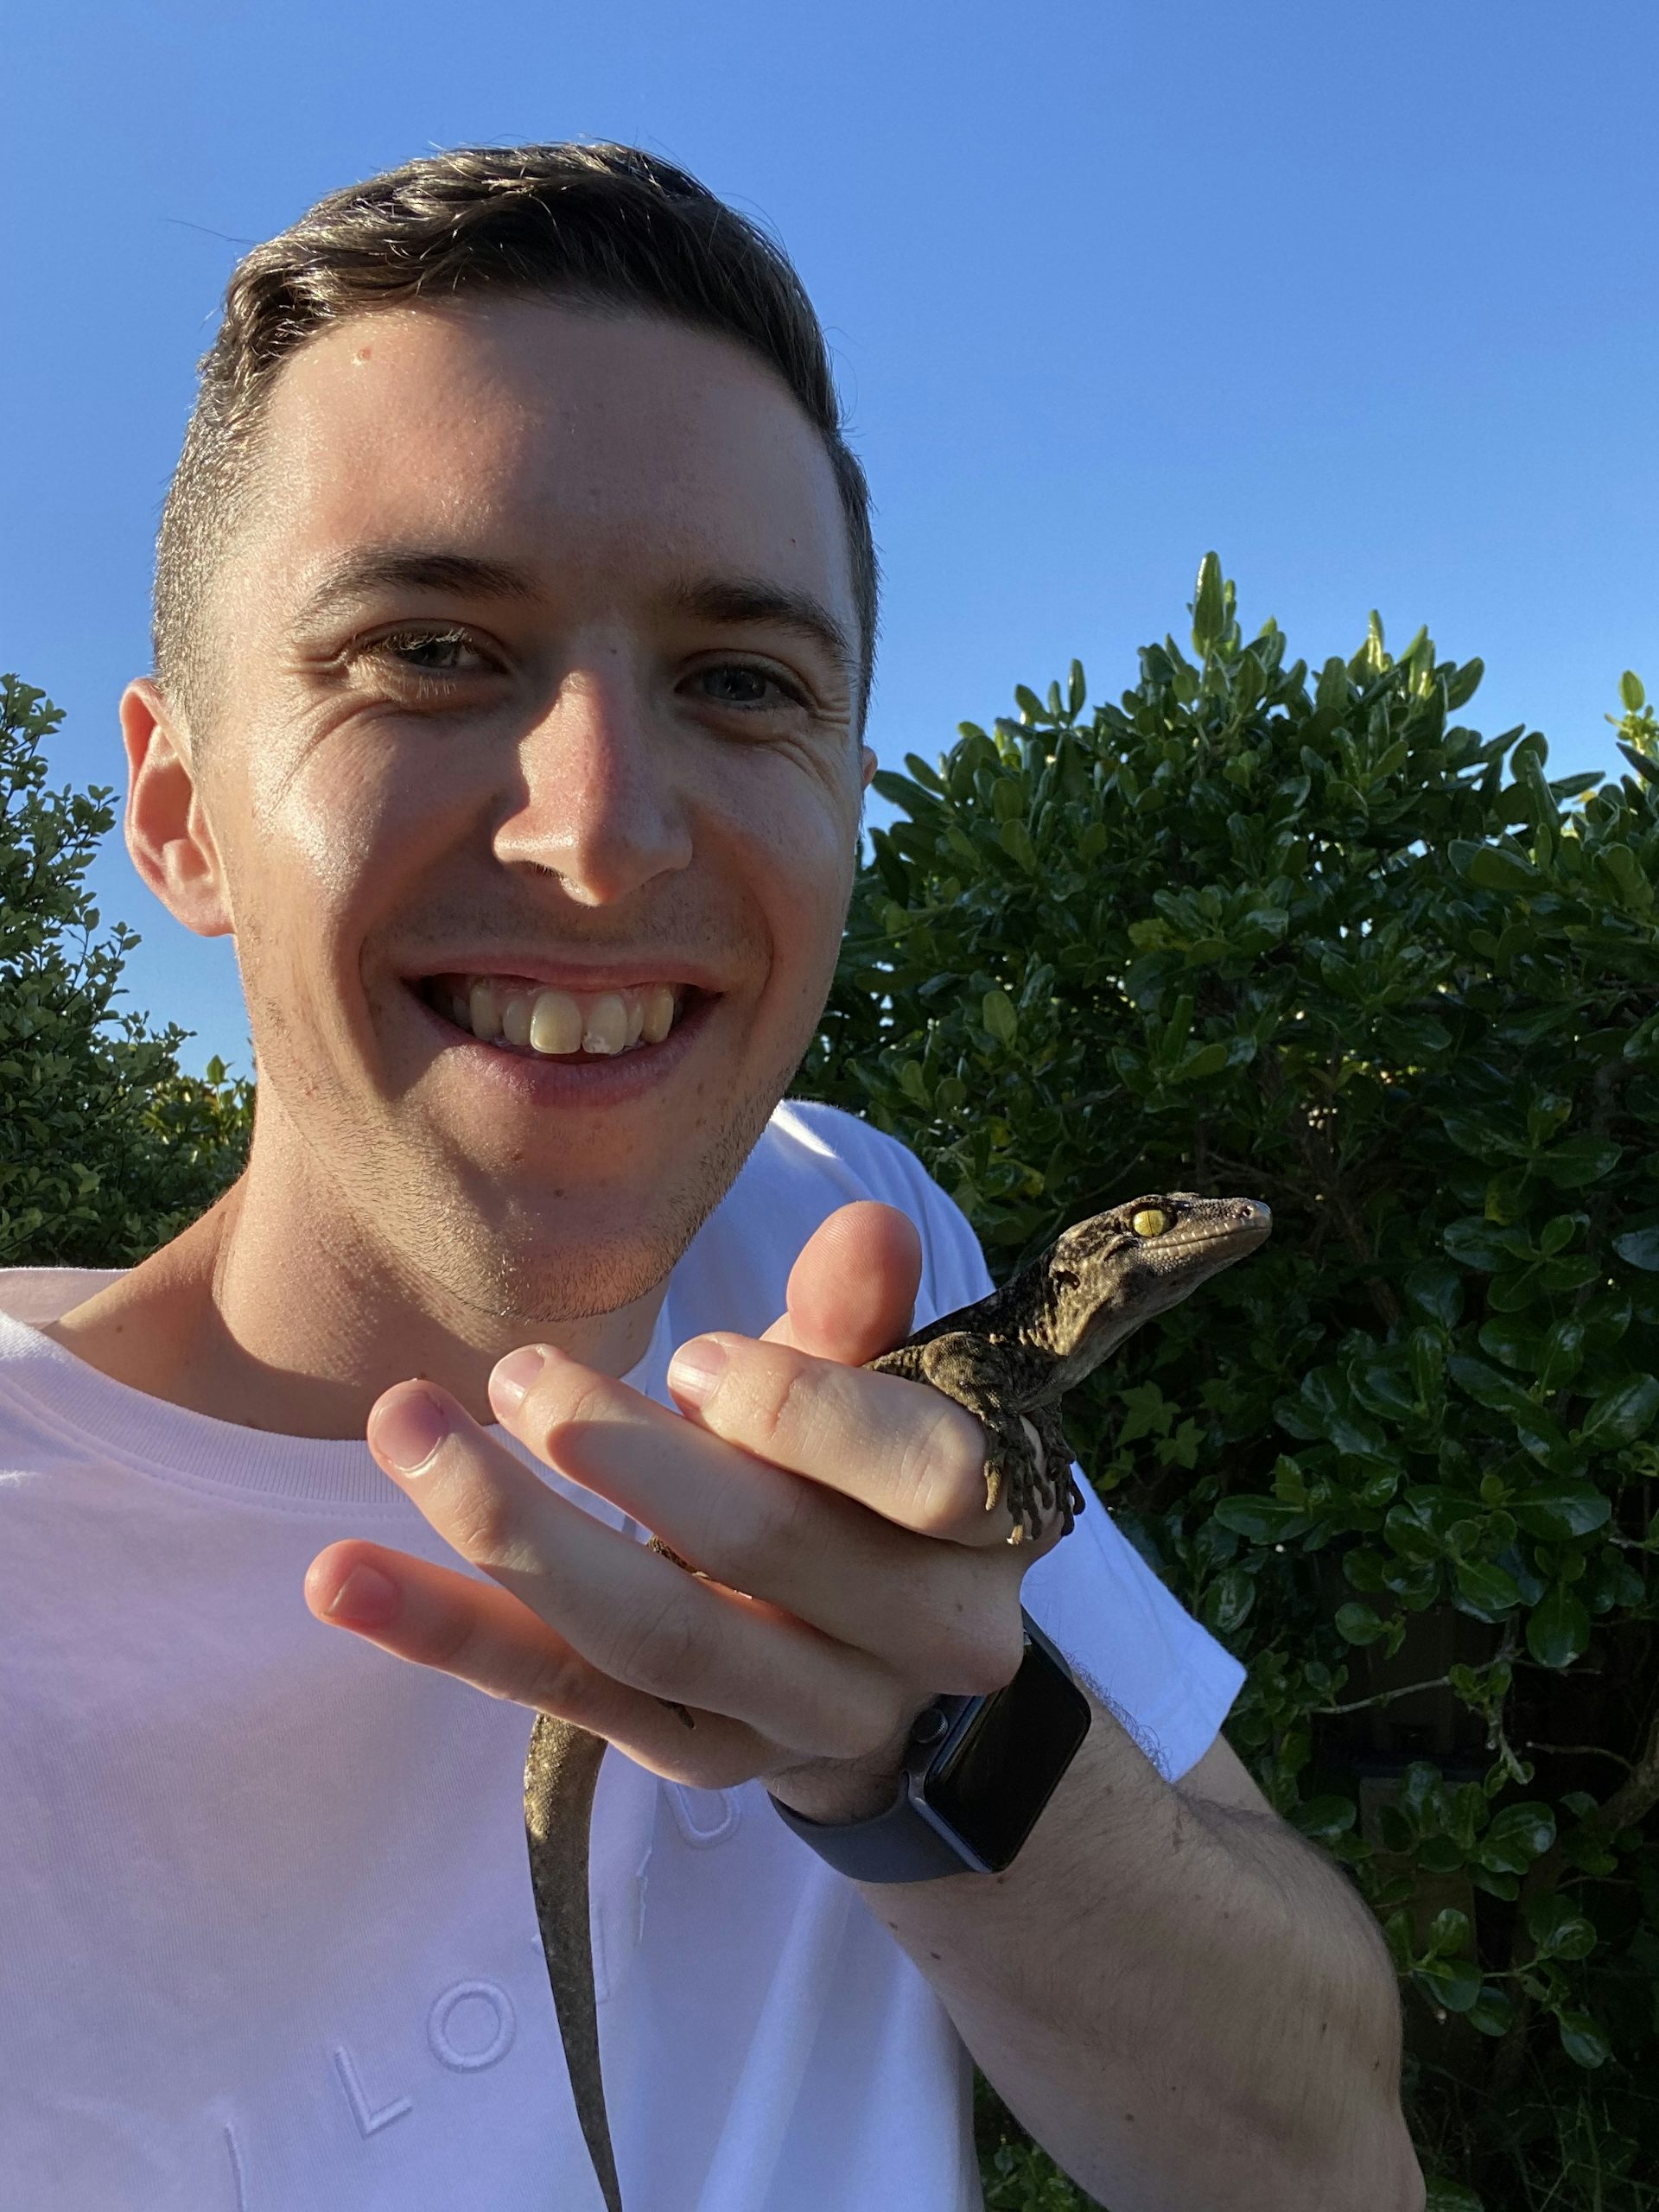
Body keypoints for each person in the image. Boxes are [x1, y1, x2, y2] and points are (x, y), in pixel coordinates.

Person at [0, 143, 1422, 2211]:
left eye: (745, 679)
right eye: (425, 647)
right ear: (178, 811)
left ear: (849, 786)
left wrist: (935, 1749)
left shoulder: (838, 1228)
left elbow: (1325, 2168)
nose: (604, 832)